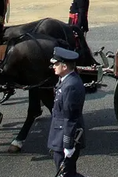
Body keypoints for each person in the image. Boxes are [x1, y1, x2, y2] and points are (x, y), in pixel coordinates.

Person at [48, 47, 86, 177]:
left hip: (64, 138)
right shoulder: (65, 81)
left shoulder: (71, 86)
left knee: (66, 174)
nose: (53, 66)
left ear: (64, 66)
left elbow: (70, 118)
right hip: (58, 136)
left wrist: (68, 145)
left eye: (56, 64)